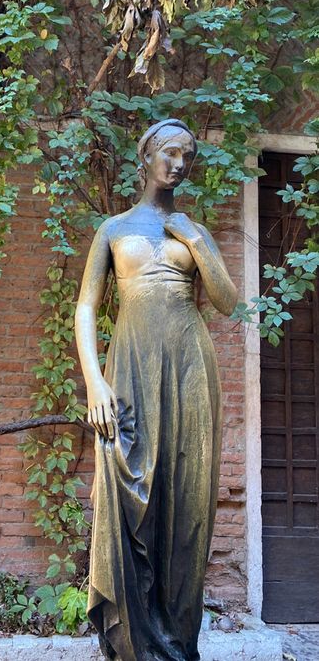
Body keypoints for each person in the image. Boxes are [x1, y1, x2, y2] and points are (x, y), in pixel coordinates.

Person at [74, 119, 238, 661]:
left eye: (187, 156)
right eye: (169, 152)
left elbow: (227, 301)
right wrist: (95, 381)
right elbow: (87, 307)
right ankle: (130, 643)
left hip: (190, 370)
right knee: (125, 492)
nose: (179, 164)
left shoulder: (191, 228)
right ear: (145, 156)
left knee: (186, 502)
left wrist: (196, 241)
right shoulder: (114, 229)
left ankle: (177, 641)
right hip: (130, 369)